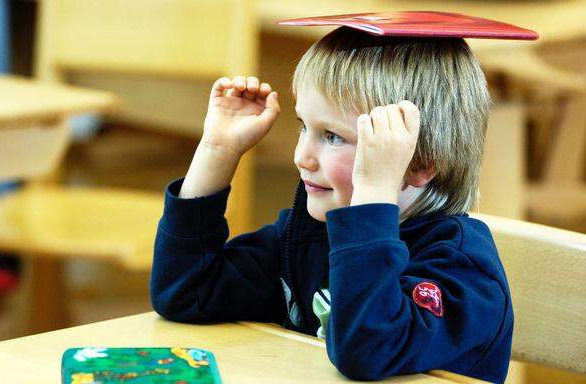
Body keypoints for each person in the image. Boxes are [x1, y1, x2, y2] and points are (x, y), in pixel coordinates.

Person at [151, 26, 513, 383]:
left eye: (333, 137)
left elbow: (367, 352)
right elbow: (187, 291)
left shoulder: (461, 270)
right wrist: (218, 151)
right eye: (303, 127)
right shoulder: (306, 237)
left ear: (419, 163)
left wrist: (372, 193)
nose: (302, 157)